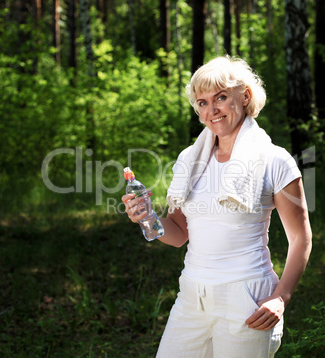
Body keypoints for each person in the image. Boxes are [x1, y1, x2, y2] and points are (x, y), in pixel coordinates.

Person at [121, 56, 312, 358]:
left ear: (245, 96)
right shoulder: (190, 159)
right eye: (202, 102)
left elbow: (301, 238)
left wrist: (281, 297)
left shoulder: (275, 160)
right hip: (192, 294)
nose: (212, 110)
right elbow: (179, 233)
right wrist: (147, 218)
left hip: (246, 297)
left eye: (221, 97)